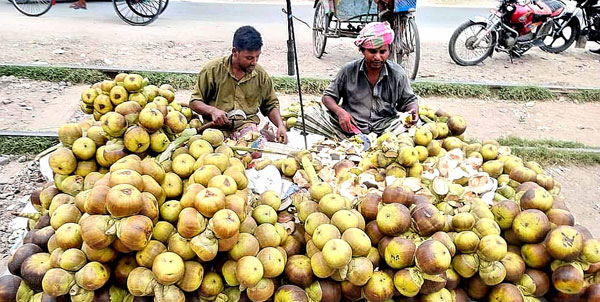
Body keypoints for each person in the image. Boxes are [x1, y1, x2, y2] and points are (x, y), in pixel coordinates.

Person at [189, 26, 288, 144]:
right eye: (249, 58)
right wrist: (212, 111)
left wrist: (280, 125)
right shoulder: (212, 70)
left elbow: (270, 105)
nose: (254, 62)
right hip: (215, 129)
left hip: (246, 126)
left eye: (258, 57)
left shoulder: (260, 75)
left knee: (255, 151)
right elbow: (194, 102)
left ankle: (263, 135)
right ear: (235, 52)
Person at [322, 21, 419, 135]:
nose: (377, 57)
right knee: (312, 114)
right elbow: (328, 96)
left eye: (382, 52)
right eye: (372, 51)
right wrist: (340, 112)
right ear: (362, 50)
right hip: (352, 125)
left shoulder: (398, 73)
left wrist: (413, 111)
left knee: (416, 125)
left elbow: (410, 100)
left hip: (386, 127)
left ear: (389, 51)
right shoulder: (348, 70)